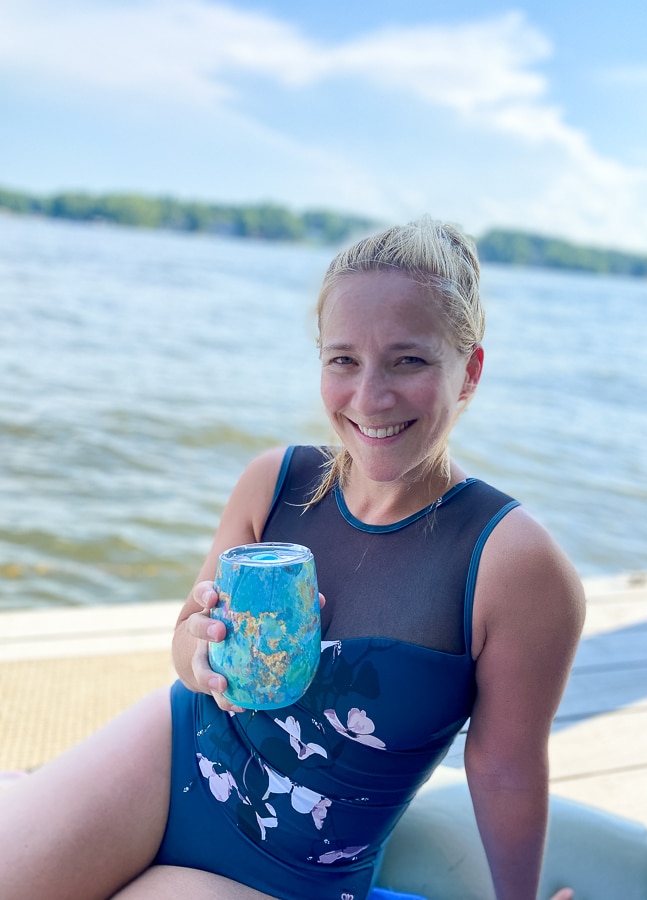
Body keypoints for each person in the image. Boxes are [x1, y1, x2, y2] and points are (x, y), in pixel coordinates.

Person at [0, 218, 584, 900]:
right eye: (343, 360)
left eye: (409, 360)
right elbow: (188, 640)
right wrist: (198, 649)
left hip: (291, 868)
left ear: (469, 372)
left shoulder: (512, 564)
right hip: (168, 753)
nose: (370, 396)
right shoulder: (273, 483)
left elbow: (504, 767)